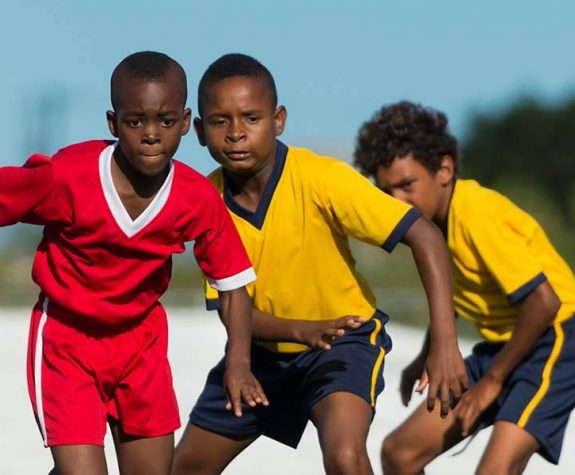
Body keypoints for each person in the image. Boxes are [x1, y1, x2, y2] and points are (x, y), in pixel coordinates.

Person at [171, 54, 468, 475]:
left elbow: (426, 235)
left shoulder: (321, 178)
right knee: (181, 468)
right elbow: (232, 310)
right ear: (200, 132)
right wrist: (301, 331)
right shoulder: (205, 203)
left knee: (345, 456)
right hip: (257, 356)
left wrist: (445, 343)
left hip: (343, 343)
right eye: (220, 121)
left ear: (278, 120)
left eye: (251, 118)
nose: (236, 133)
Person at [0, 51, 267, 475]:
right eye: (135, 121)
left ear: (185, 122)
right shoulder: (67, 176)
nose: (151, 134)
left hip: (142, 348)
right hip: (67, 343)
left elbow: (232, 284)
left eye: (165, 121)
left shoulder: (196, 198)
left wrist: (238, 362)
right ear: (113, 123)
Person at [353, 100, 575, 474]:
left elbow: (544, 301)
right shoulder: (430, 230)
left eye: (407, 185)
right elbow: (456, 296)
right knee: (399, 454)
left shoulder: (476, 214)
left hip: (557, 337)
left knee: (494, 469)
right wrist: (426, 356)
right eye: (387, 191)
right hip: (505, 346)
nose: (398, 201)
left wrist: (492, 381)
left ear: (444, 169)